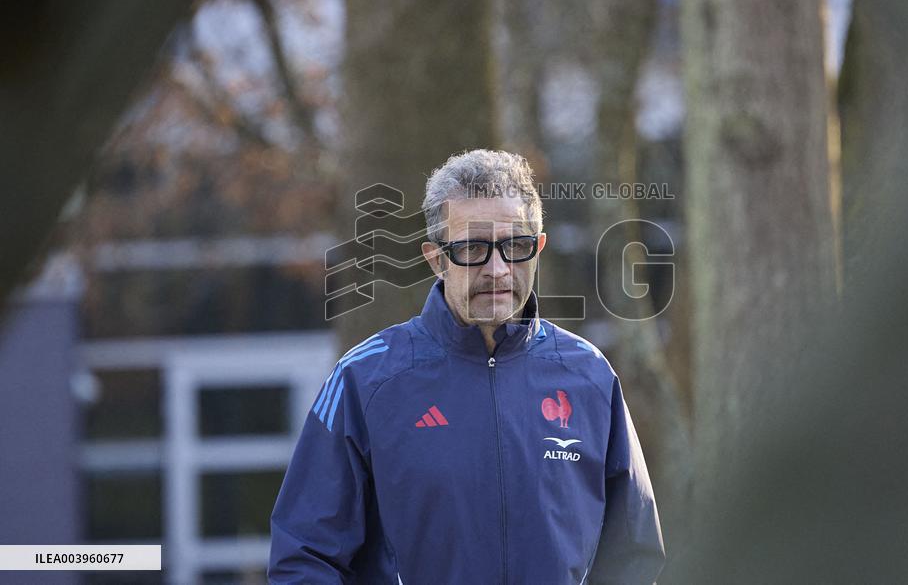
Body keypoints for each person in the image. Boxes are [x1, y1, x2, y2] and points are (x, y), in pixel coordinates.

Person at [269, 149, 665, 584]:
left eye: (515, 246)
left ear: (539, 249)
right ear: (435, 259)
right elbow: (304, 558)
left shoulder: (589, 376)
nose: (497, 270)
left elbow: (635, 552)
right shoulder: (365, 380)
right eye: (473, 248)